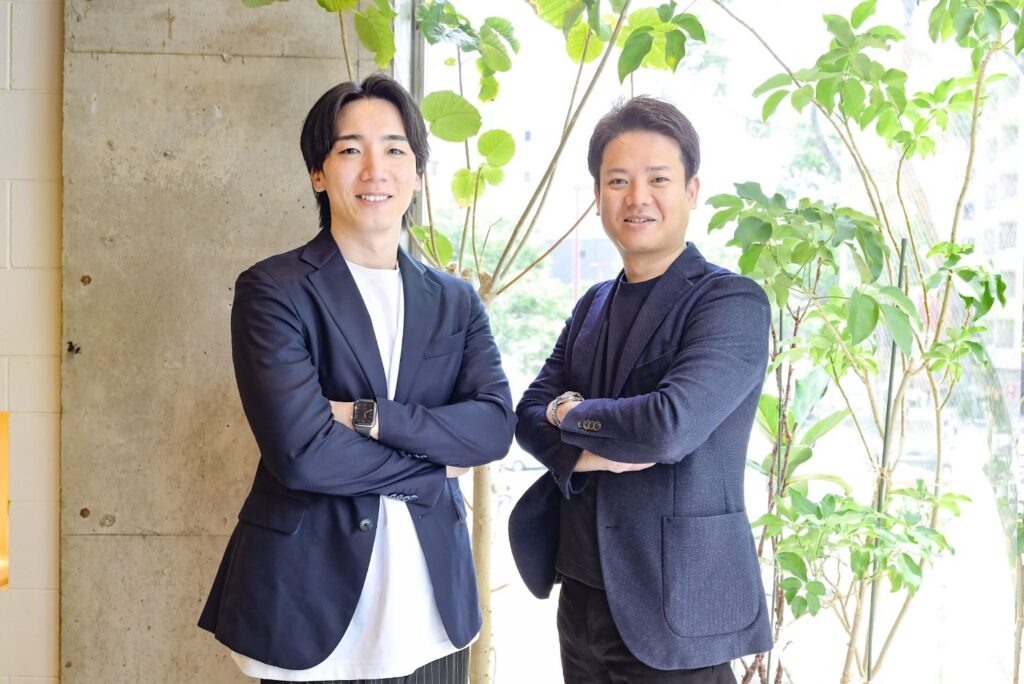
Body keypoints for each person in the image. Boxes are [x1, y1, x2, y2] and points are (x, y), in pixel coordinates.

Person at [199, 74, 516, 683]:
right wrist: (433, 469)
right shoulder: (274, 290)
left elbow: (492, 430)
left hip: (432, 611)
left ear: (417, 173)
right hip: (306, 604)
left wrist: (364, 416)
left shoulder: (456, 301)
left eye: (395, 149)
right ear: (318, 174)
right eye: (350, 149)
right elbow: (303, 454)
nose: (375, 169)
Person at [508, 97, 772, 683]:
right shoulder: (593, 303)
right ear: (597, 194)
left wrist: (568, 415)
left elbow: (667, 426)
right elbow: (526, 415)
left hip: (675, 609)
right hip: (580, 597)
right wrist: (588, 443)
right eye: (618, 181)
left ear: (692, 190)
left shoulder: (729, 302)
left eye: (658, 179)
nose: (637, 198)